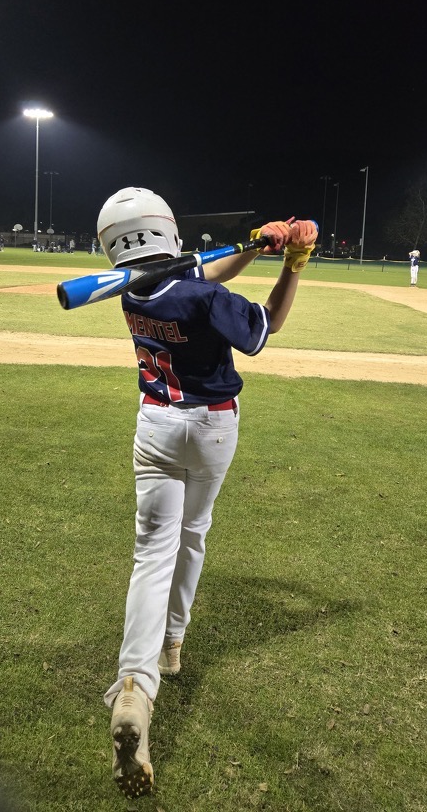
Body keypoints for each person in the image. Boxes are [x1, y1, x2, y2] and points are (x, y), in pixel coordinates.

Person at [97, 186, 318, 798]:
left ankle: (135, 684)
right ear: (166, 229)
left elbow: (201, 273)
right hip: (212, 427)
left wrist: (253, 246)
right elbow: (263, 328)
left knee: (151, 553)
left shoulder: (131, 289)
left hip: (155, 425)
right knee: (192, 535)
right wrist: (293, 263)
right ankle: (172, 643)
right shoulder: (202, 296)